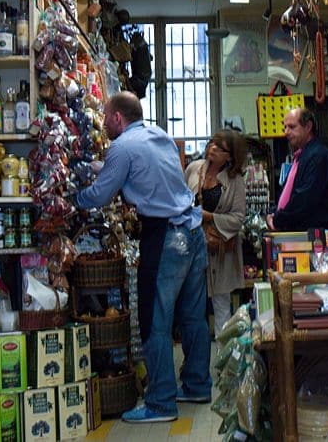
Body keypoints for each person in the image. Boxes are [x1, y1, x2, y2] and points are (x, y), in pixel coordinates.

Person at [75, 91, 212, 423]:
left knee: (155, 319)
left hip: (165, 236)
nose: (103, 122)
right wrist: (103, 166)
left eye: (106, 116)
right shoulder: (159, 135)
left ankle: (161, 403)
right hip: (193, 231)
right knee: (193, 316)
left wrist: (73, 198)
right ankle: (196, 385)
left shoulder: (120, 147)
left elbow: (101, 194)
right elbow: (144, 171)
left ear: (118, 119)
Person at [184, 130, 247, 338]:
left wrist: (210, 217)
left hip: (220, 251)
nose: (213, 148)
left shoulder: (235, 180)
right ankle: (193, 360)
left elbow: (238, 217)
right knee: (193, 305)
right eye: (212, 143)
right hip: (193, 247)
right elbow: (182, 200)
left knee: (221, 306)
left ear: (230, 156)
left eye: (220, 148)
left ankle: (223, 361)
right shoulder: (194, 169)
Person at [266, 107, 328, 231]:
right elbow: (289, 194)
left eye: (292, 127)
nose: (286, 132)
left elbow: (304, 199)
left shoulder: (318, 155)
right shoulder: (301, 155)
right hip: (295, 232)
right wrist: (273, 213)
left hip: (309, 236)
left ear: (308, 126)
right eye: (285, 127)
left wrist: (277, 219)